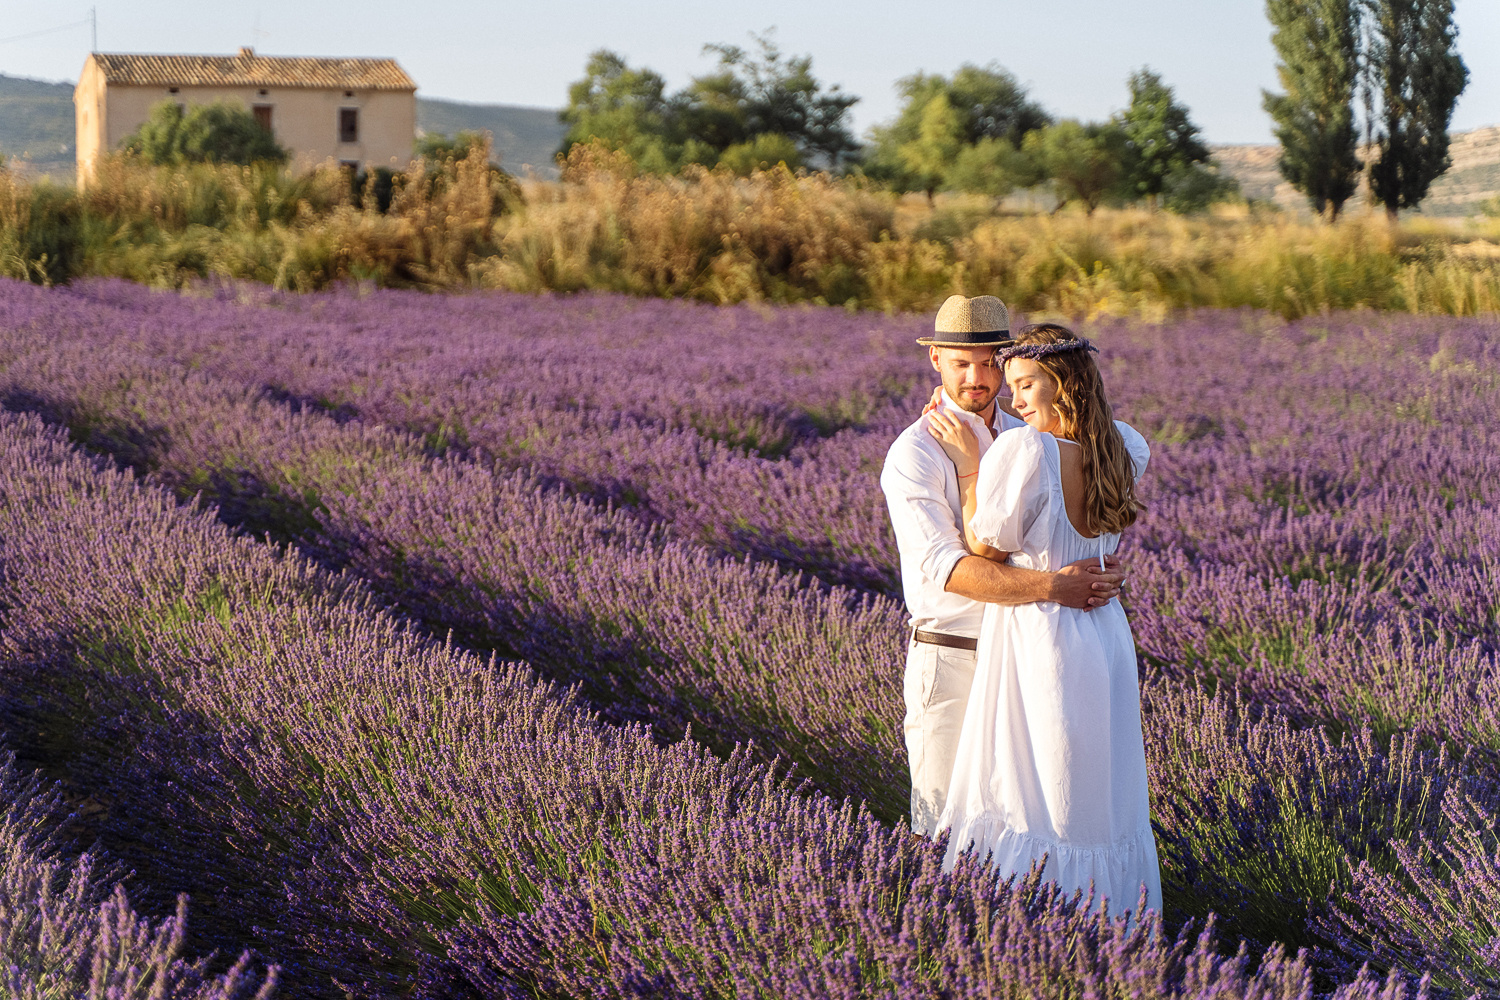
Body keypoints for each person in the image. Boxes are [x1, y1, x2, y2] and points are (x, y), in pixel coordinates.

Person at [926, 321, 1161, 915]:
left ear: (1066, 384)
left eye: (1027, 384)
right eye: (1013, 386)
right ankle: (1107, 922)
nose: (1016, 400)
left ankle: (1030, 921)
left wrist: (972, 465)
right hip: (1103, 634)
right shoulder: (1124, 445)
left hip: (1040, 636)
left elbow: (984, 548)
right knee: (1097, 796)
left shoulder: (1024, 450)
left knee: (1034, 792)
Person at [881, 296, 1127, 836]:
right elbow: (951, 570)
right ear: (935, 360)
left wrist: (1099, 568)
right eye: (960, 363)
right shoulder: (915, 454)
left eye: (990, 363)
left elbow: (1066, 529)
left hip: (1025, 659)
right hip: (953, 655)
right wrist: (1054, 586)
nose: (977, 377)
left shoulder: (1029, 434)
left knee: (1026, 830)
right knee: (945, 831)